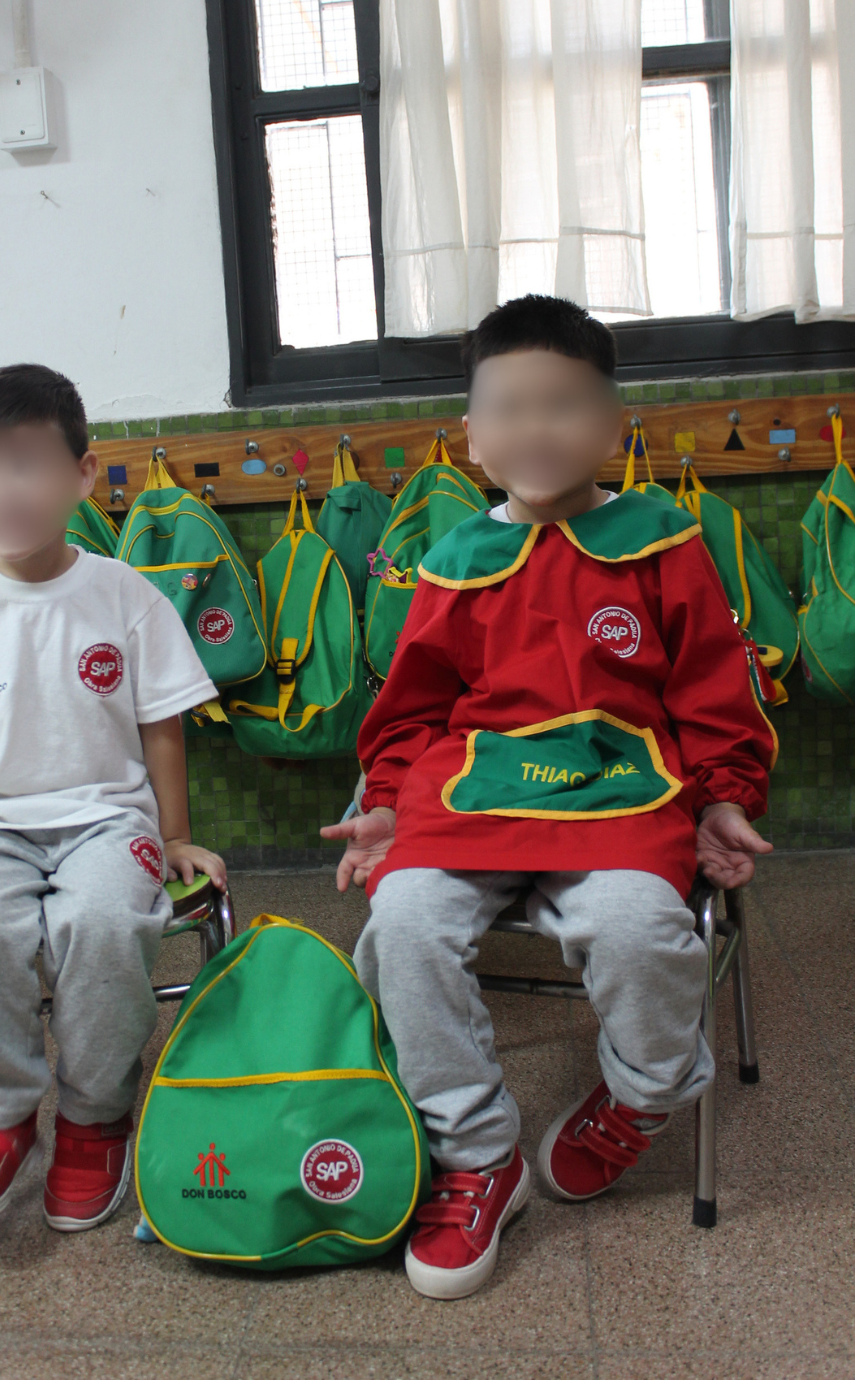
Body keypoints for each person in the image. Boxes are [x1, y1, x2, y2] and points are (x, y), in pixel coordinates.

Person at [322, 296, 775, 1300]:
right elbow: (413, 707)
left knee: (639, 928)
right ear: (473, 435)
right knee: (403, 921)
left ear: (612, 423)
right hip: (473, 795)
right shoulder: (454, 559)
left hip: (623, 791)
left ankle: (645, 1092)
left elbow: (712, 692)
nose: (535, 429)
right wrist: (387, 802)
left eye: (563, 405)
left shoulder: (663, 543)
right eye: (509, 409)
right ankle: (476, 1152)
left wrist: (722, 800)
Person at [0, 364, 226, 1232]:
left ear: (83, 473)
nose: (5, 488)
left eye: (27, 463)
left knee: (100, 923)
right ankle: (0, 1117)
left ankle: (96, 1118)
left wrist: (174, 835)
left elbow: (162, 728)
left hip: (108, 821)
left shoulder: (124, 596)